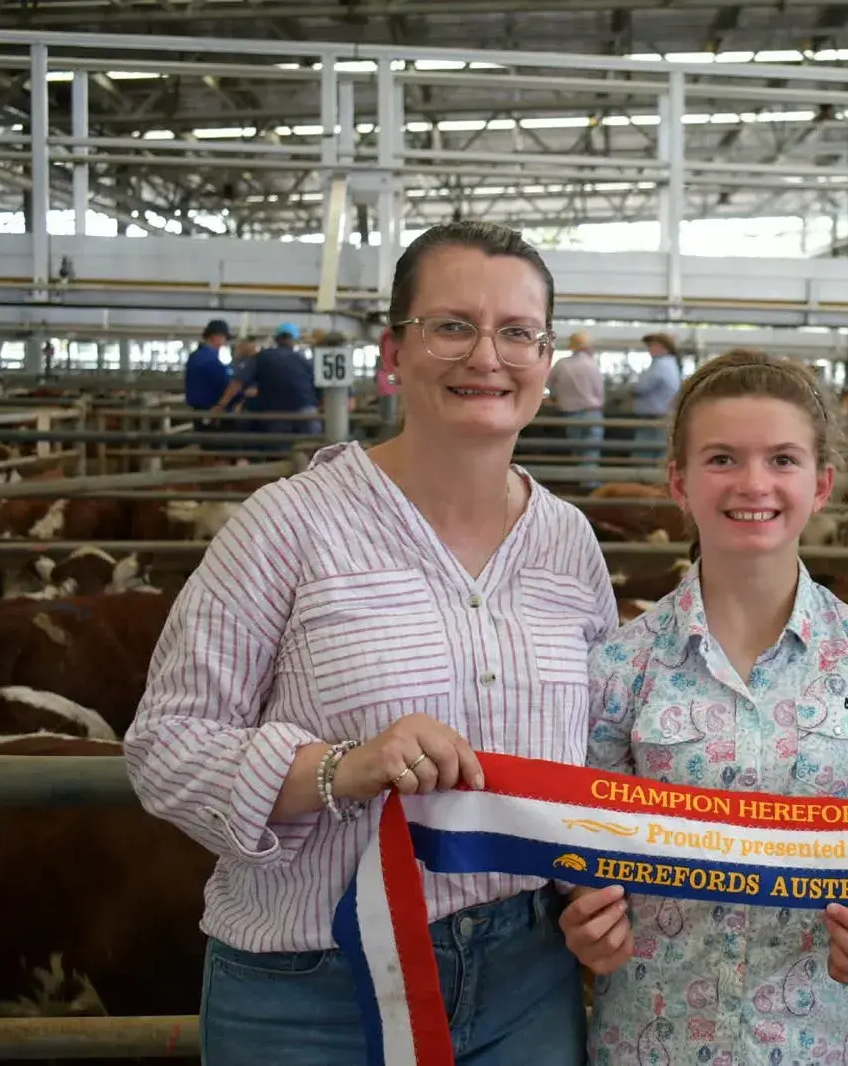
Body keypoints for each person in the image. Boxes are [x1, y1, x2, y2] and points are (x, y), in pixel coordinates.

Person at [124, 220, 615, 1066]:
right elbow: (165, 745)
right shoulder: (288, 523)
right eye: (452, 326)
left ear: (544, 357)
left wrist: (597, 881)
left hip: (525, 979)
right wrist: (338, 767)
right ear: (396, 349)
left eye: (516, 332)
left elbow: (596, 748)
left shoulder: (568, 541)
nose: (485, 357)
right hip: (310, 986)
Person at [563, 349, 848, 1066]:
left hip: (814, 1038)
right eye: (722, 459)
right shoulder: (618, 668)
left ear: (820, 485)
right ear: (680, 482)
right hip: (649, 1040)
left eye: (782, 460)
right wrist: (582, 914)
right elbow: (588, 851)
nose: (753, 484)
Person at [208, 322, 321, 446]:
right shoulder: (303, 360)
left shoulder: (262, 357)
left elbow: (237, 382)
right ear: (293, 340)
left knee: (278, 448)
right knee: (311, 447)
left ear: (276, 339)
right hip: (305, 412)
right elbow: (319, 386)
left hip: (276, 413)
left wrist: (220, 406)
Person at [545, 330, 605, 468]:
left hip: (570, 414)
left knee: (577, 450)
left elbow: (547, 387)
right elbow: (599, 391)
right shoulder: (592, 364)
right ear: (587, 347)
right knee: (592, 451)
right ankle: (589, 484)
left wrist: (554, 399)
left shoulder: (562, 364)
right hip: (592, 413)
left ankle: (579, 479)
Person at [628, 331, 682, 460]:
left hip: (653, 417)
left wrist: (631, 388)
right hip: (662, 415)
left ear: (663, 347)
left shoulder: (660, 365)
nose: (650, 349)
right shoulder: (671, 364)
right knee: (659, 452)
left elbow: (642, 387)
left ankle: (644, 479)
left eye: (653, 345)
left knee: (644, 453)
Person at [184, 318, 232, 428]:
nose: (224, 342)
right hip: (211, 410)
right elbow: (223, 382)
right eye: (224, 338)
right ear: (216, 337)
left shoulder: (196, 356)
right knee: (215, 442)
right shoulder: (209, 359)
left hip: (199, 409)